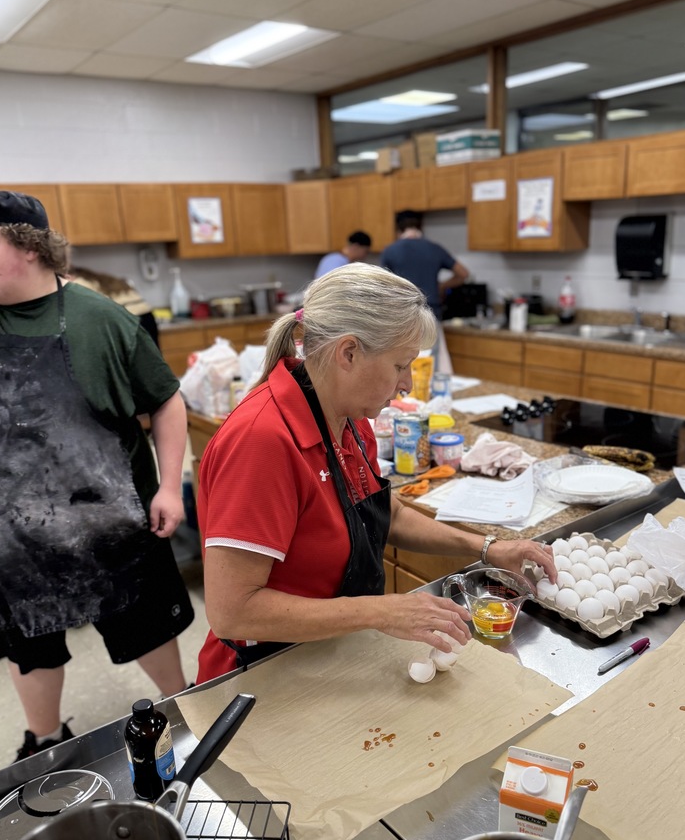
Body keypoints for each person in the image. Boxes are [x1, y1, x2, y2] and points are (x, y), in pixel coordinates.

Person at [195, 263, 556, 683]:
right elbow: (232, 612)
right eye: (401, 365)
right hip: (262, 674)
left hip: (331, 654)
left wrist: (489, 549)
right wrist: (381, 610)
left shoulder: (349, 416)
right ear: (348, 353)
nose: (406, 384)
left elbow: (388, 514)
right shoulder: (263, 441)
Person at [0, 190, 194, 760]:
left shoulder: (100, 320)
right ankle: (45, 742)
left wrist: (171, 485)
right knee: (29, 643)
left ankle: (185, 711)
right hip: (8, 536)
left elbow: (167, 401)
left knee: (145, 628)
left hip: (112, 522)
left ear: (27, 247)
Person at [380, 210, 469, 321]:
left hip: (402, 313)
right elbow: (463, 274)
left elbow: (382, 285)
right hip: (431, 313)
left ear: (398, 230)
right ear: (420, 228)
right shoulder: (435, 248)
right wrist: (442, 286)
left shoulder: (390, 251)